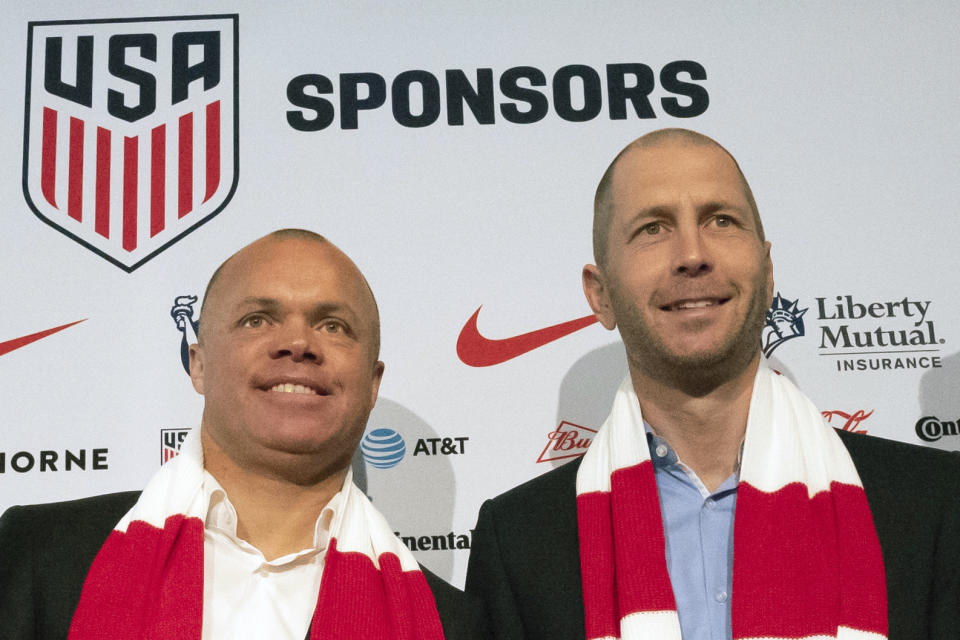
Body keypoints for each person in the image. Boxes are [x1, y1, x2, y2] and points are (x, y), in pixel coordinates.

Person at [465, 129, 960, 640]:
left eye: (720, 220)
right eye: (653, 228)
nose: (692, 254)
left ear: (768, 273)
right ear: (601, 294)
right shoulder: (519, 542)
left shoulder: (935, 504)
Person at [0, 229, 487, 640]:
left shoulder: (454, 624)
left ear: (373, 383)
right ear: (199, 364)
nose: (298, 343)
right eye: (258, 319)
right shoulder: (36, 557)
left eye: (333, 325)